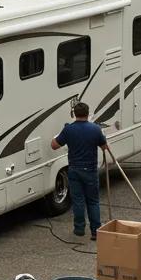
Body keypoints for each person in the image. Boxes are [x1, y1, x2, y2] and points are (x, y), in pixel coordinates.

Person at [51, 102, 108, 239]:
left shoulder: (69, 130)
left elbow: (54, 145)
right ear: (88, 114)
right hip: (90, 170)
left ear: (74, 114)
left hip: (74, 170)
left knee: (78, 201)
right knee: (93, 201)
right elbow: (104, 147)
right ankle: (95, 231)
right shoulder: (95, 129)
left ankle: (79, 229)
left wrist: (61, 132)